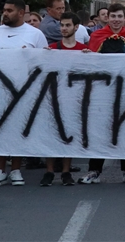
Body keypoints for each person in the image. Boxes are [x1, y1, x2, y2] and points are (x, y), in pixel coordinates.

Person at [0, 0, 48, 187]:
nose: (5, 13)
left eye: (9, 10)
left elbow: (45, 61)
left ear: (21, 13)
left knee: (19, 130)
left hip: (24, 92)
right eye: (4, 10)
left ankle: (16, 169)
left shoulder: (35, 34)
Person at [77, 4, 125, 185]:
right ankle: (94, 171)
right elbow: (91, 65)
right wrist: (87, 56)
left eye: (120, 16)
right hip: (102, 92)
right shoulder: (96, 36)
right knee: (99, 130)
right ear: (107, 17)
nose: (116, 20)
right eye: (113, 16)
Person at [41, 12, 88, 187]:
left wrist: (89, 58)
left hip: (73, 100)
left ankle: (66, 172)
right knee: (51, 135)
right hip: (53, 99)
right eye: (62, 25)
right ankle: (49, 172)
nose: (64, 28)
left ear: (76, 27)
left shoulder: (83, 49)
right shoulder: (52, 48)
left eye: (68, 25)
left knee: (70, 135)